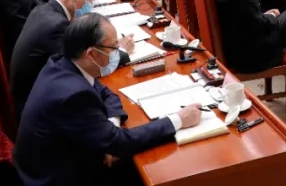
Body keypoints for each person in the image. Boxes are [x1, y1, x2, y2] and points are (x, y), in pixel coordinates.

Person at [14, 14, 201, 186]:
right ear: (91, 54)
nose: (117, 53)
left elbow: (107, 94)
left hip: (63, 158)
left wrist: (110, 128)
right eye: (113, 48)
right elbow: (121, 143)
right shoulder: (73, 94)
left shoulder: (62, 64)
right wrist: (178, 120)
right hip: (58, 179)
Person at [9, 0, 132, 120]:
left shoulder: (44, 9)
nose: (91, 5)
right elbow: (82, 64)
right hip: (37, 108)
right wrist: (119, 51)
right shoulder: (57, 27)